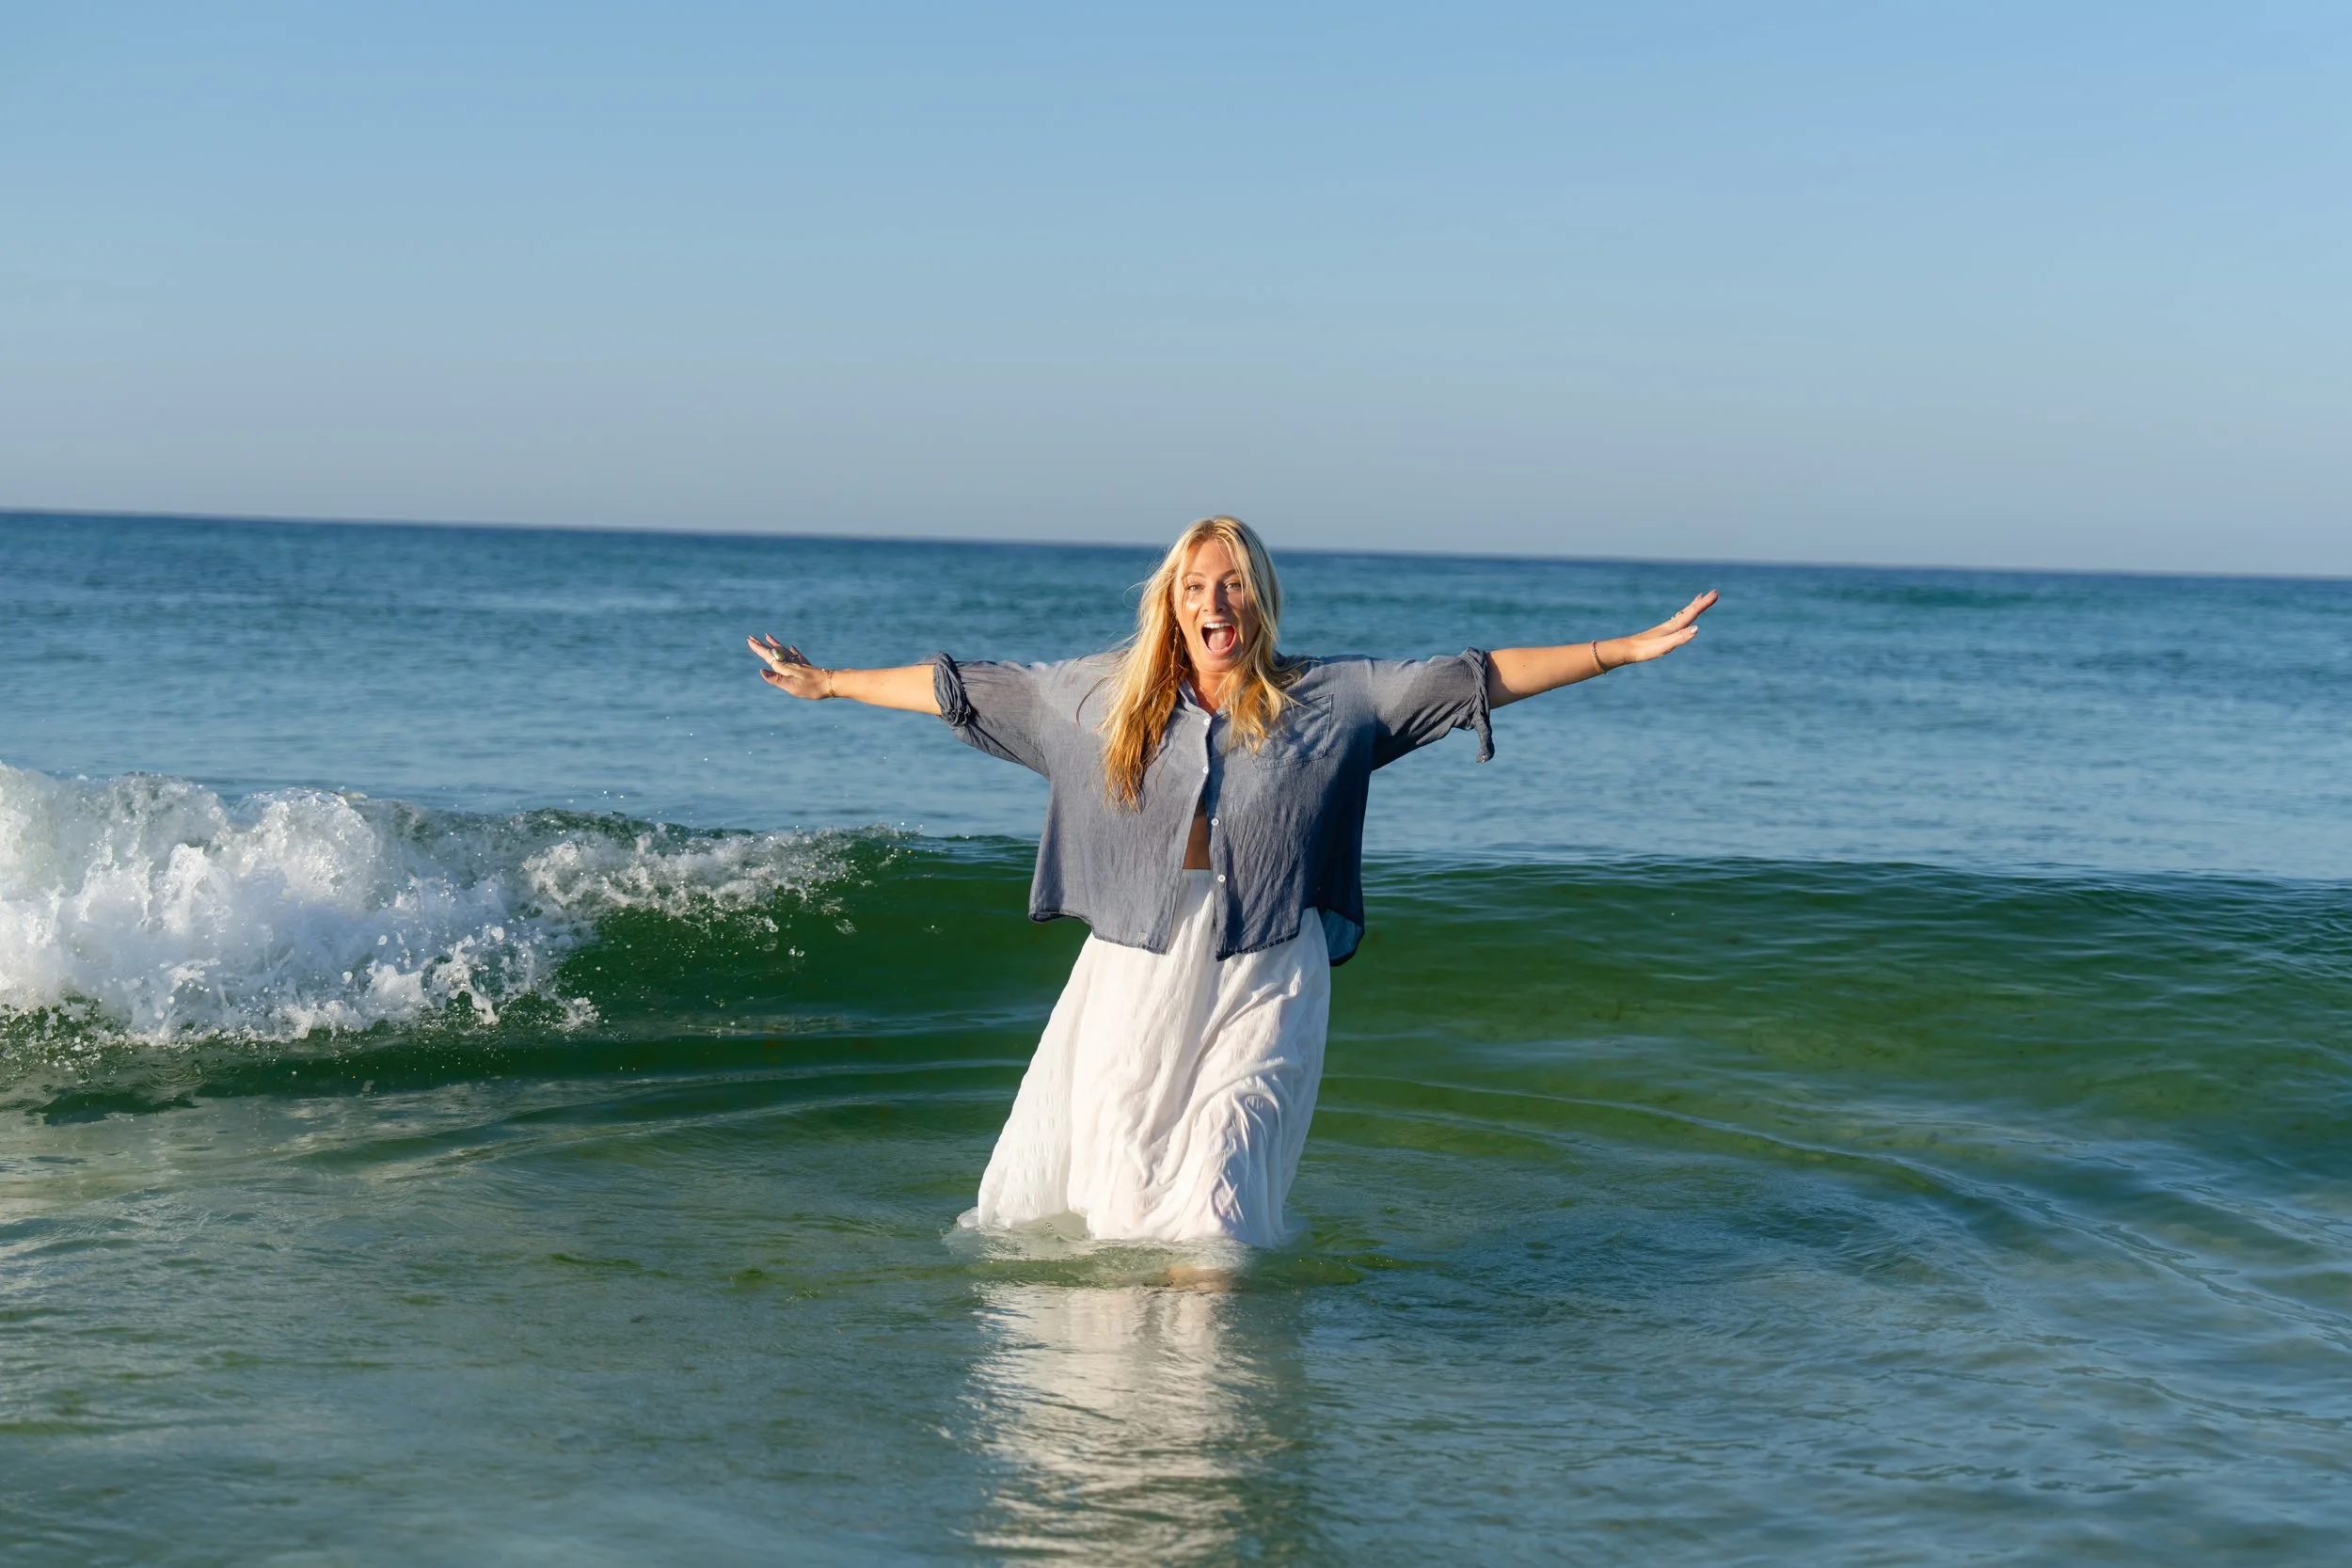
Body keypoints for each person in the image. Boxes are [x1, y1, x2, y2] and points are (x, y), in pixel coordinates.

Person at [750, 516, 1714, 1250]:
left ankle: (1219, 1420)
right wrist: (829, 681)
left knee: (1218, 1185)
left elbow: (1475, 677)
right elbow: (962, 686)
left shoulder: (1337, 699)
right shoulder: (1096, 697)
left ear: (1262, 601)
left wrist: (1619, 649)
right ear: (1173, 602)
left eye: (1237, 584)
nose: (1217, 601)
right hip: (1137, 962)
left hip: (1268, 966)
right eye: (1198, 585)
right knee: (1123, 1195)